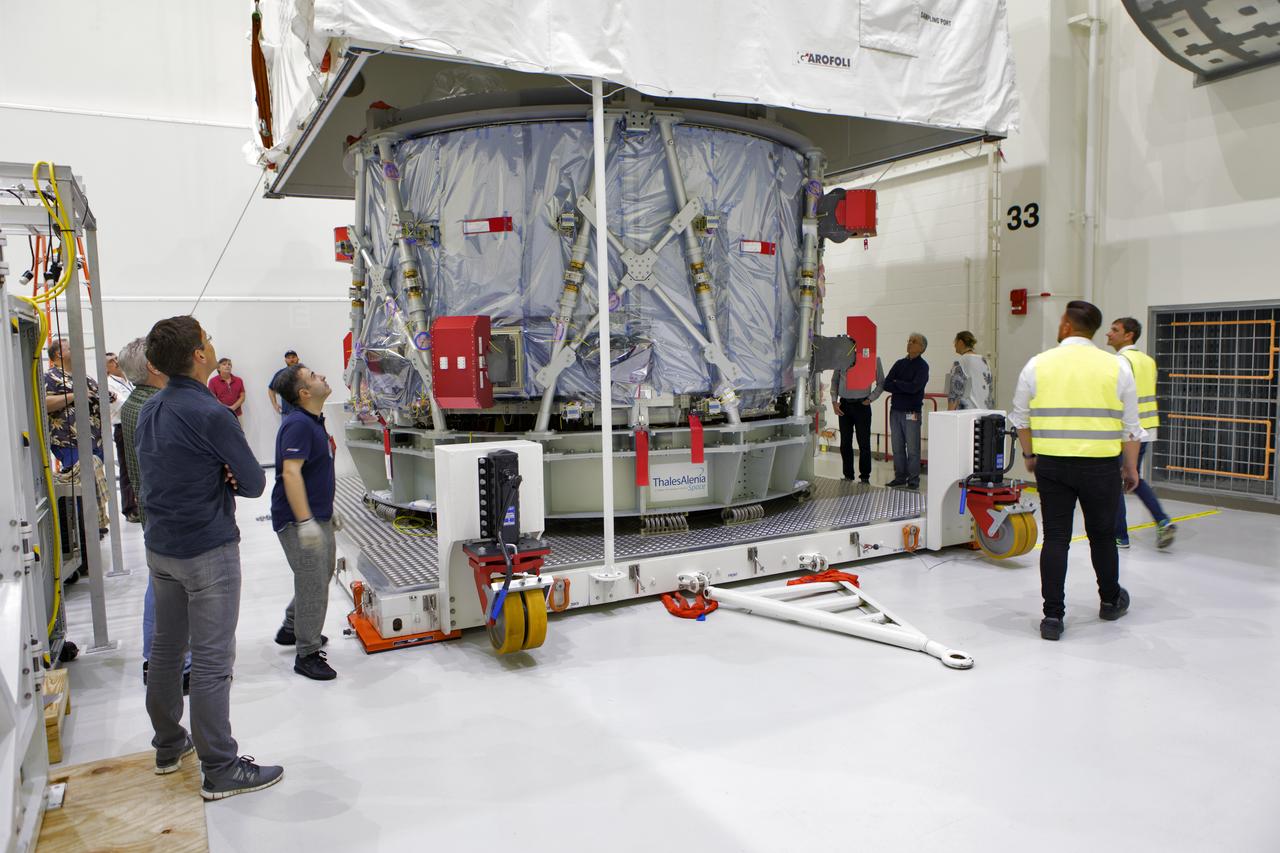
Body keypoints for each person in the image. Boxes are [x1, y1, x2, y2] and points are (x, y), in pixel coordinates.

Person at [134, 316, 282, 800]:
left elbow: (162, 470)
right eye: (208, 340)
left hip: (161, 549)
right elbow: (254, 482)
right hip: (207, 551)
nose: (212, 344)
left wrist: (215, 470)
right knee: (213, 660)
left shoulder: (149, 409)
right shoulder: (212, 414)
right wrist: (225, 474)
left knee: (166, 649)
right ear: (199, 355)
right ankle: (219, 768)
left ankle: (168, 745)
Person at [1009, 300, 1143, 642]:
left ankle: (1052, 617)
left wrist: (1030, 455)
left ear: (1067, 325)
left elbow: (1020, 418)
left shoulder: (1038, 364)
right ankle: (1110, 600)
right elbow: (1131, 427)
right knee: (1102, 536)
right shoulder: (1116, 367)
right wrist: (1130, 467)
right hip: (1101, 466)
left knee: (1056, 538)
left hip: (1052, 464)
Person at [118, 338, 192, 690]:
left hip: (155, 512)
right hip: (168, 514)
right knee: (171, 592)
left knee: (162, 587)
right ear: (153, 366)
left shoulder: (136, 403)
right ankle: (177, 664)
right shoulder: (155, 407)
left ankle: (159, 659)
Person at [269, 364, 341, 681]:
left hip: (317, 513)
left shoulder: (314, 421)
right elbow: (291, 473)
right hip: (298, 518)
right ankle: (307, 653)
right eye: (313, 376)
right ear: (304, 393)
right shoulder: (298, 424)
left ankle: (291, 625)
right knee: (312, 582)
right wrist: (305, 520)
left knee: (322, 573)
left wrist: (327, 510)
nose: (321, 376)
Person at [1107, 317, 1175, 550]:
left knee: (1116, 481)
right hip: (1146, 430)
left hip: (1126, 432)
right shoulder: (1148, 361)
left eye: (1115, 330)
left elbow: (1117, 397)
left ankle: (1120, 535)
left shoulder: (1120, 362)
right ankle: (1162, 521)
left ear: (1129, 335)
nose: (1109, 333)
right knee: (1132, 476)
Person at [830, 340, 884, 483]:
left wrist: (871, 398)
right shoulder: (841, 358)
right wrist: (834, 401)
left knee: (864, 443)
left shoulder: (873, 359)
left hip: (862, 405)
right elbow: (834, 381)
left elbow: (881, 383)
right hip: (844, 405)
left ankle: (864, 477)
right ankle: (848, 475)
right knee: (845, 443)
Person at [883, 333, 930, 490]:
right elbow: (886, 384)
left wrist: (897, 383)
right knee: (897, 447)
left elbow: (915, 387)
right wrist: (903, 385)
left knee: (913, 448)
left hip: (912, 412)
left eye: (913, 341)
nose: (909, 343)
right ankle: (900, 477)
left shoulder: (923, 366)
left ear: (921, 348)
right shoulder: (899, 364)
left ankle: (913, 480)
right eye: (909, 340)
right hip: (895, 411)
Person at [105, 352, 139, 521]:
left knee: (140, 467)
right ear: (106, 368)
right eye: (111, 361)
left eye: (116, 358)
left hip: (138, 425)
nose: (116, 362)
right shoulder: (108, 385)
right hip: (123, 428)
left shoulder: (130, 381)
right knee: (127, 468)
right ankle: (129, 508)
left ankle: (140, 504)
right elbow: (126, 404)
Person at [946, 331, 995, 411]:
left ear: (960, 342)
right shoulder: (984, 361)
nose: (954, 346)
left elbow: (954, 392)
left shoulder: (960, 362)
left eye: (955, 342)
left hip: (968, 411)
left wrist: (949, 413)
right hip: (986, 410)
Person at [208, 357, 247, 424]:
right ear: (218, 368)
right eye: (224, 364)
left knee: (239, 431)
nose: (227, 366)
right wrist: (226, 409)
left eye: (229, 364)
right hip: (221, 414)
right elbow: (213, 398)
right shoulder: (212, 381)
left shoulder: (238, 380)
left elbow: (242, 397)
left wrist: (232, 408)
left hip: (237, 415)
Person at [267, 350, 301, 416]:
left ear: (298, 358)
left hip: (303, 413)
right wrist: (275, 404)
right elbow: (271, 389)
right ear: (285, 360)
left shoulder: (305, 372)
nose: (291, 359)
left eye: (293, 357)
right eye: (288, 358)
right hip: (287, 413)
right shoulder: (281, 374)